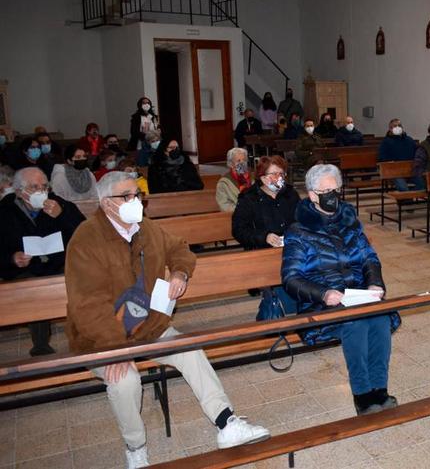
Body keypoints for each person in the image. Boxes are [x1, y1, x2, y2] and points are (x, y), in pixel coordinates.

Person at [65, 172, 269, 468]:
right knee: (125, 381)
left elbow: (179, 248)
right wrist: (115, 349)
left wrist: (179, 272)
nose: (136, 202)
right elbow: (87, 305)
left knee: (190, 349)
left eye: (137, 195)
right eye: (128, 196)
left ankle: (226, 424)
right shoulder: (86, 238)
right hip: (100, 336)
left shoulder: (145, 227)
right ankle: (135, 448)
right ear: (107, 204)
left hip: (147, 326)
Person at [282, 164, 399, 415]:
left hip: (356, 295)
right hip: (321, 302)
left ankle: (380, 388)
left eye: (335, 189)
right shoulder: (298, 231)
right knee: (354, 323)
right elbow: (291, 278)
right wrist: (324, 293)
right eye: (325, 190)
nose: (332, 195)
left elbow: (370, 259)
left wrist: (375, 283)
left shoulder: (350, 222)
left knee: (380, 318)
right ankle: (362, 394)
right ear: (312, 195)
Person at [0, 167, 85, 355]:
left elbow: (84, 233)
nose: (41, 191)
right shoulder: (4, 212)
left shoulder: (60, 204)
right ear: (20, 192)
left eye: (44, 186)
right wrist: (12, 259)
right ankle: (40, 344)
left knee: (77, 278)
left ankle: (82, 335)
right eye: (34, 187)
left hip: (58, 263)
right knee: (33, 286)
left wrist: (62, 215)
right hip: (24, 270)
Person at [233, 155, 300, 249]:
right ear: (263, 178)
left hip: (292, 247)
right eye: (274, 174)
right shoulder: (249, 198)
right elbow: (239, 230)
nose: (279, 178)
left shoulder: (291, 194)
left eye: (281, 174)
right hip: (262, 250)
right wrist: (264, 238)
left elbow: (301, 219)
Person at [377, 118, 422, 191]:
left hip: (410, 169)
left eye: (399, 125)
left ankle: (410, 196)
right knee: (403, 188)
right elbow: (381, 157)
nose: (397, 127)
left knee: (422, 184)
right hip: (395, 171)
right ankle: (406, 200)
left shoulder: (409, 140)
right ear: (390, 129)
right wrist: (389, 163)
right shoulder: (386, 142)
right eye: (395, 126)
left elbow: (417, 153)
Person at [216, 147, 251, 212]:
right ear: (231, 164)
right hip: (236, 216)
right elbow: (224, 205)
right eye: (238, 161)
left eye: (244, 160)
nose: (242, 163)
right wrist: (243, 210)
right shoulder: (223, 183)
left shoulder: (252, 178)